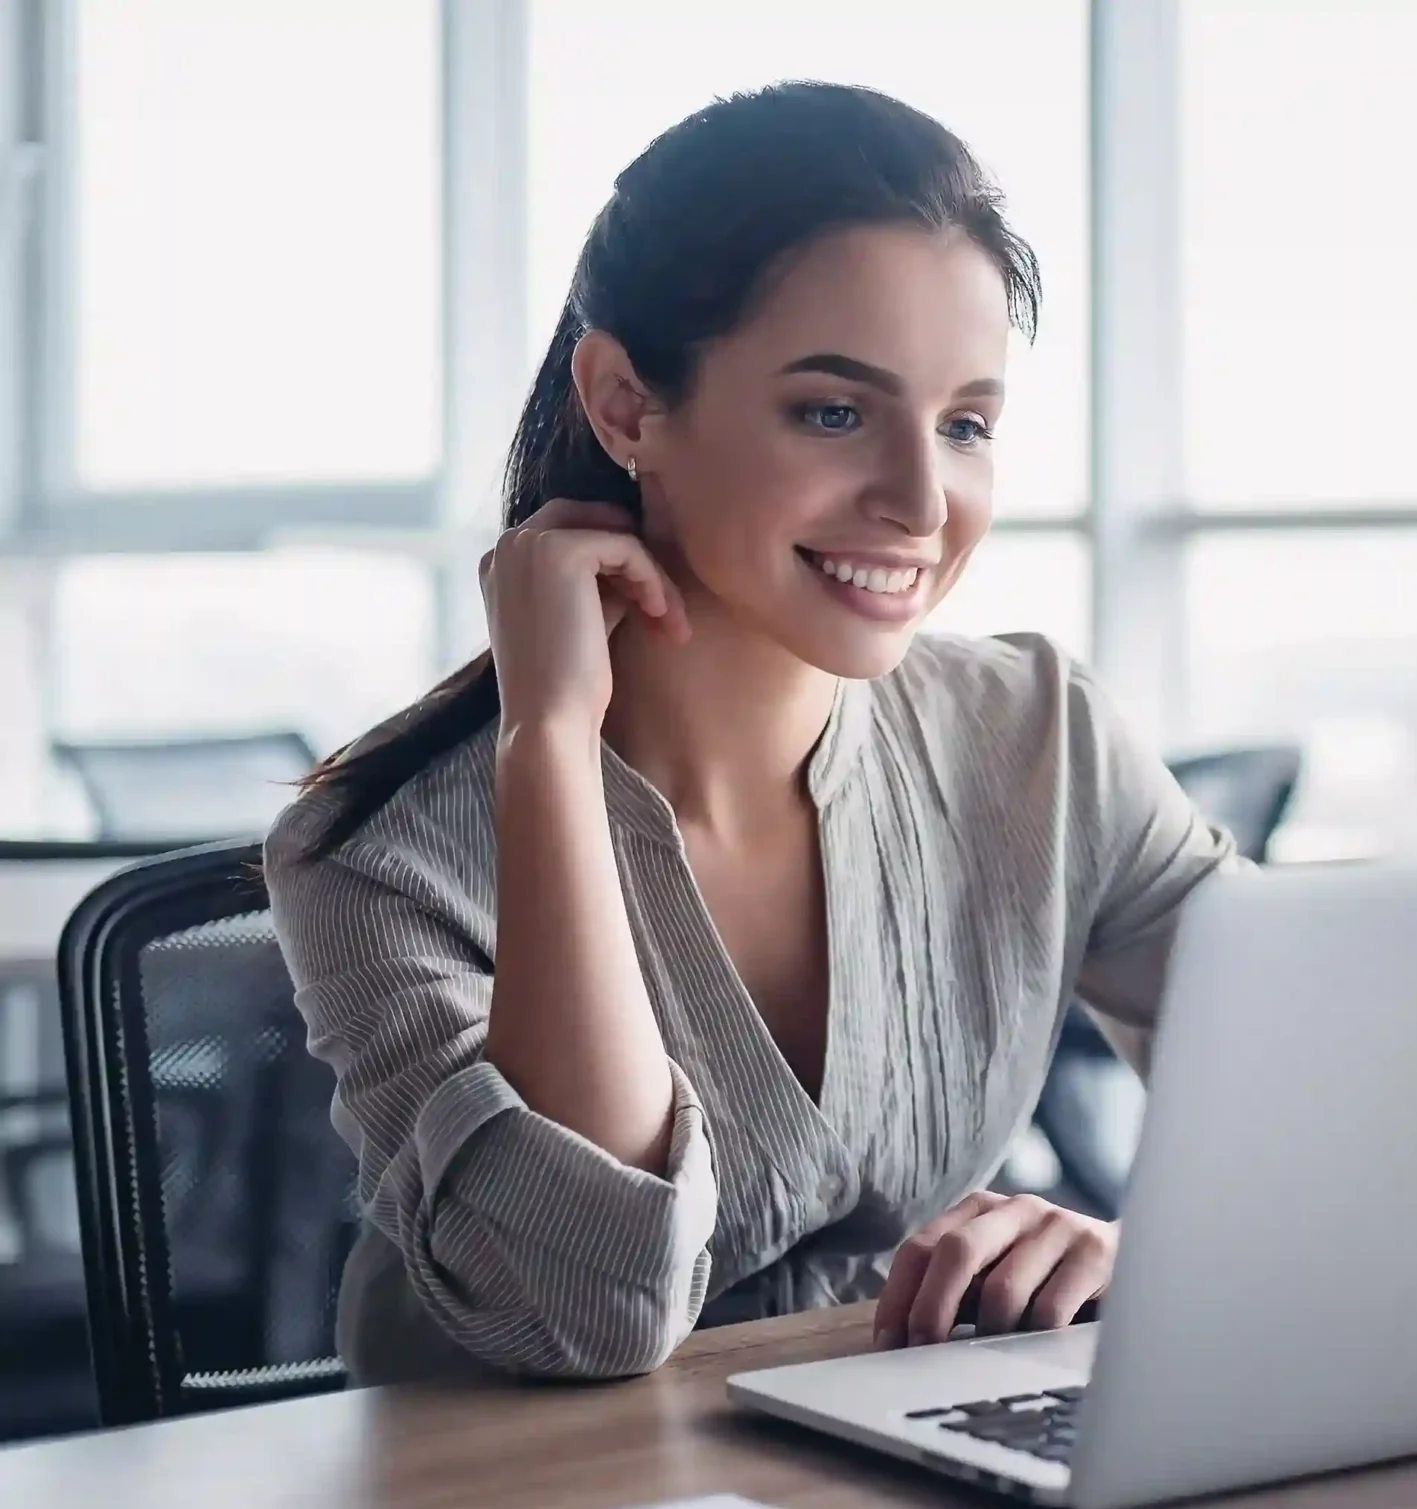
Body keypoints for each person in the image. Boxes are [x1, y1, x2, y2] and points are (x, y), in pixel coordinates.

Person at [265, 82, 1233, 1385]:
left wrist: (1132, 1250)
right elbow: (581, 1312)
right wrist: (549, 745)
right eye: (834, 412)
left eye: (965, 426)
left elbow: (1335, 1125)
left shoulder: (1036, 737)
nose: (918, 499)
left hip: (892, 1482)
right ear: (623, 405)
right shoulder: (377, 854)